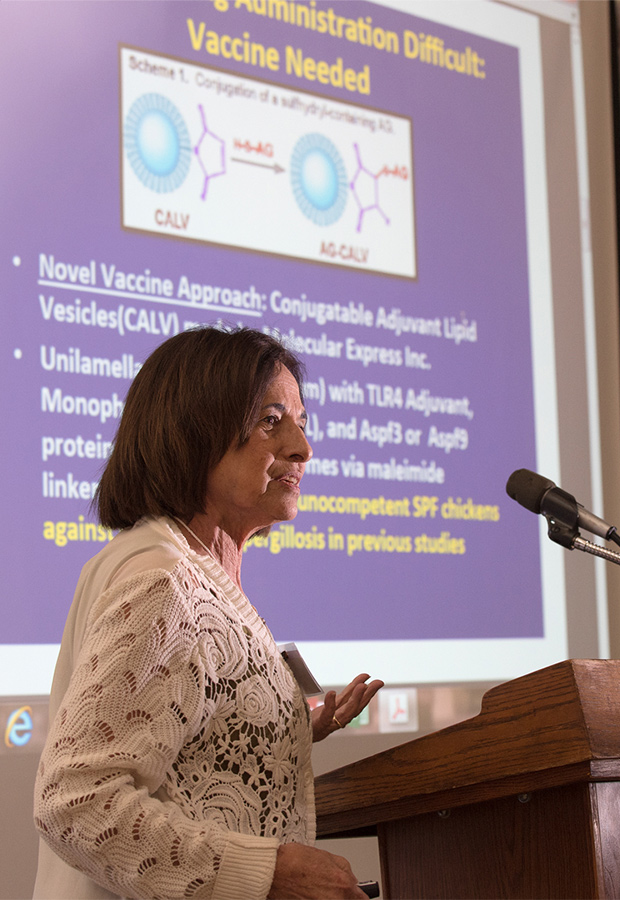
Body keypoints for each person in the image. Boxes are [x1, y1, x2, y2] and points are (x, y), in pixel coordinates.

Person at [33, 327, 384, 899]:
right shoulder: (163, 581)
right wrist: (268, 873)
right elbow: (77, 800)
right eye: (272, 420)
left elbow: (174, 746)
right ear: (193, 430)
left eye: (301, 421)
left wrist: (282, 726)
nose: (302, 447)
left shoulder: (186, 568)